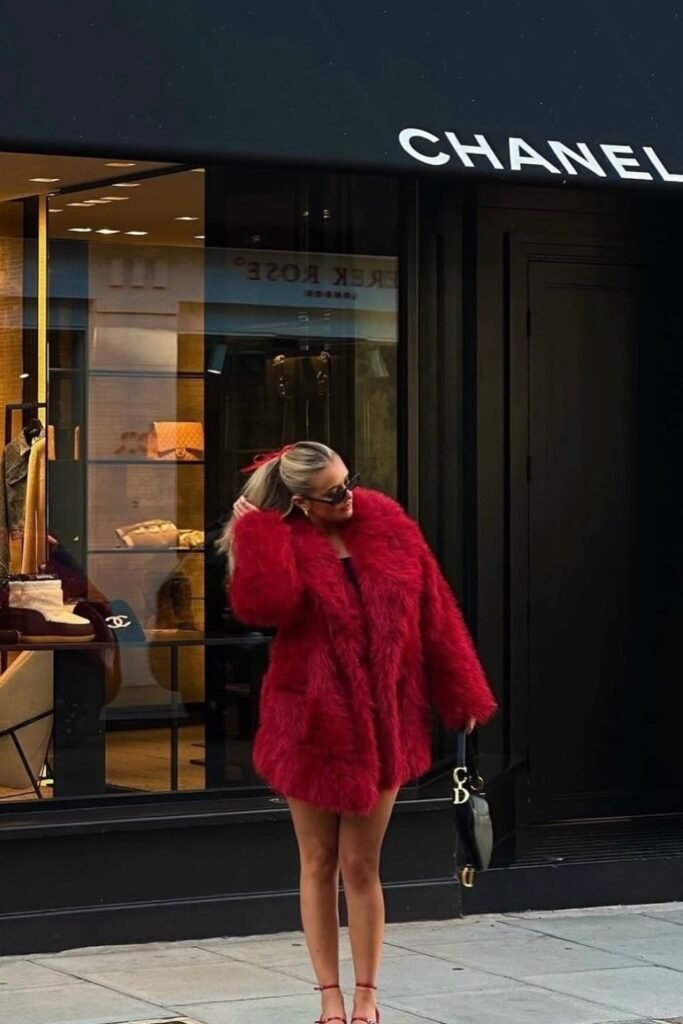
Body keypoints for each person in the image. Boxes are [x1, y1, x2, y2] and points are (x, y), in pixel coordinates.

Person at [220, 441, 497, 1024]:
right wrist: (257, 536)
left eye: (349, 481)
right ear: (301, 502)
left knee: (362, 863)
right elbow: (263, 608)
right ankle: (329, 998)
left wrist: (461, 690)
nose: (349, 495)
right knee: (318, 861)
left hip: (385, 720)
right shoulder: (283, 538)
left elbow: (435, 611)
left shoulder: (388, 525)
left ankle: (368, 996)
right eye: (334, 492)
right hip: (310, 725)